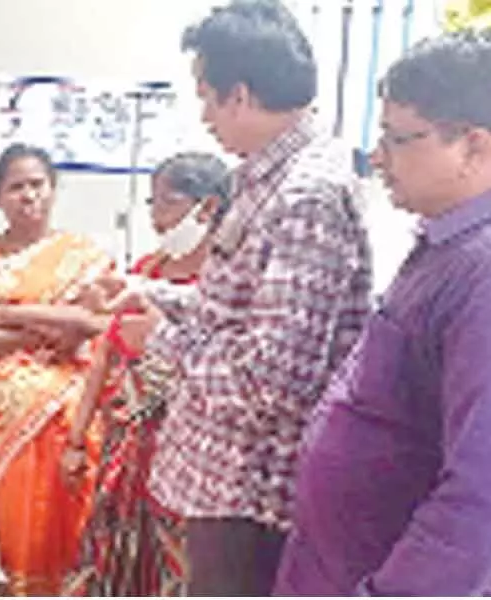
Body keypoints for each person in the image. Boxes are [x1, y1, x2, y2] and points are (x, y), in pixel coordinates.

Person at [110, 1, 373, 595]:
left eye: (206, 95)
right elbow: (234, 305)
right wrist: (140, 290)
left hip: (251, 494)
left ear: (242, 94)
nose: (202, 115)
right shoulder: (264, 176)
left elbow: (272, 381)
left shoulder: (308, 196)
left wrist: (157, 339)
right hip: (221, 476)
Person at [274, 30, 491, 596]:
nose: (377, 157)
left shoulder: (484, 272)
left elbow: (480, 493)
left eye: (398, 139)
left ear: (475, 147)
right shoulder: (443, 246)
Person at [0, 143, 115, 596]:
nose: (28, 196)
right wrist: (31, 338)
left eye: (37, 184)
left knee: (81, 421)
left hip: (73, 373)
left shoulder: (83, 255)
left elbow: (98, 325)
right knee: (26, 398)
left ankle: (79, 579)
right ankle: (26, 579)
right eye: (15, 187)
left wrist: (20, 316)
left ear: (53, 190)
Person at [62, 152, 230, 597]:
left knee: (172, 561)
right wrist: (76, 438)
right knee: (110, 549)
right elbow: (104, 358)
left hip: (184, 456)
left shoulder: (224, 288)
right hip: (123, 445)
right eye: (152, 204)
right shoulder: (144, 274)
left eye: (168, 203)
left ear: (207, 208)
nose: (157, 217)